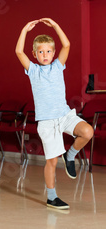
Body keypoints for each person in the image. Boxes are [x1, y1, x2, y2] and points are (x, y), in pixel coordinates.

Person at [15, 18, 93, 210]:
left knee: (87, 132)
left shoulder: (58, 66)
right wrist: (25, 29)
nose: (45, 54)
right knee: (51, 161)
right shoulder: (33, 71)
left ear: (53, 53)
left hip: (64, 115)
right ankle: (52, 197)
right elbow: (18, 51)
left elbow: (66, 44)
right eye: (40, 51)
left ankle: (71, 155)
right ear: (34, 54)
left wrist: (56, 26)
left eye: (48, 51)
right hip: (47, 122)